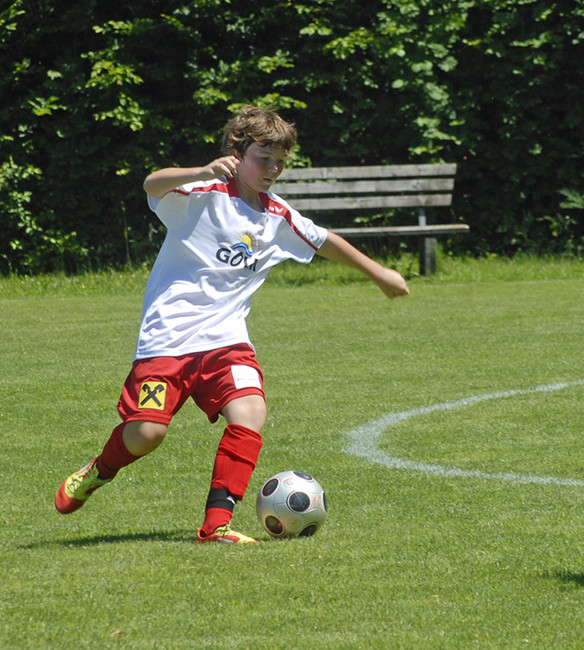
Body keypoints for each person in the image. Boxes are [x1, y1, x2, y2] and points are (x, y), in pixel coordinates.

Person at [54, 106, 410, 543]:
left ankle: (216, 525)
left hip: (226, 341)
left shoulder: (277, 216)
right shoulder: (202, 193)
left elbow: (325, 241)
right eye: (264, 158)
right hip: (168, 338)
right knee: (147, 433)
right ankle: (98, 470)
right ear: (236, 154)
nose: (273, 169)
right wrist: (200, 170)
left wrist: (379, 273)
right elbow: (152, 183)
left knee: (250, 412)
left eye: (280, 161)